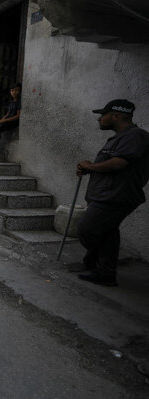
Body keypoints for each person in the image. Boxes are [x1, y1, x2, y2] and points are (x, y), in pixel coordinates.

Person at [72, 100, 149, 287]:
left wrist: (90, 166)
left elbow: (120, 163)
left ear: (116, 115)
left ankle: (98, 263)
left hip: (116, 196)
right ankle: (104, 272)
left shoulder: (135, 135)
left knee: (86, 229)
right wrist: (91, 168)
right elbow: (112, 164)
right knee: (107, 232)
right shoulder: (121, 137)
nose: (100, 119)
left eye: (103, 114)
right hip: (108, 195)